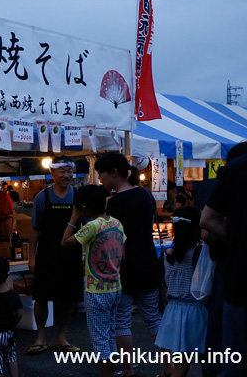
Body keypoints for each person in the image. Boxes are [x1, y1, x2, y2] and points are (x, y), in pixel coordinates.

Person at [95, 152, 170, 377]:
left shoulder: (116, 202)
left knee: (122, 321)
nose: (100, 179)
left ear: (114, 173)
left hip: (125, 265)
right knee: (153, 318)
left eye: (102, 174)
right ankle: (170, 368)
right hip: (148, 260)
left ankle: (128, 370)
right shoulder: (145, 194)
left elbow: (116, 238)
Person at [200, 145, 247, 377]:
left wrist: (239, 238)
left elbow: (207, 223)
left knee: (236, 363)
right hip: (236, 281)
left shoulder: (237, 169)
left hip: (238, 281)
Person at [61, 185, 125, 377]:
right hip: (115, 286)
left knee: (100, 341)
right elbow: (123, 255)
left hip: (96, 291)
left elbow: (65, 242)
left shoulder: (92, 226)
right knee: (110, 336)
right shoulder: (117, 223)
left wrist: (73, 217)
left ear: (83, 207)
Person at [28, 156, 83, 353]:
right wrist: (31, 257)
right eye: (63, 171)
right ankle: (41, 336)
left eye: (70, 171)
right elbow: (34, 230)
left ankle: (61, 336)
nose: (68, 175)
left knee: (67, 298)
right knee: (41, 297)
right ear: (52, 174)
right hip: (46, 254)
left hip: (72, 255)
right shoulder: (43, 197)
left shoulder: (78, 196)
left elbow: (86, 226)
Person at [155, 206, 208, 377]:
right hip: (196, 310)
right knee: (207, 362)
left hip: (174, 310)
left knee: (180, 365)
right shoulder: (199, 253)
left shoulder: (167, 253)